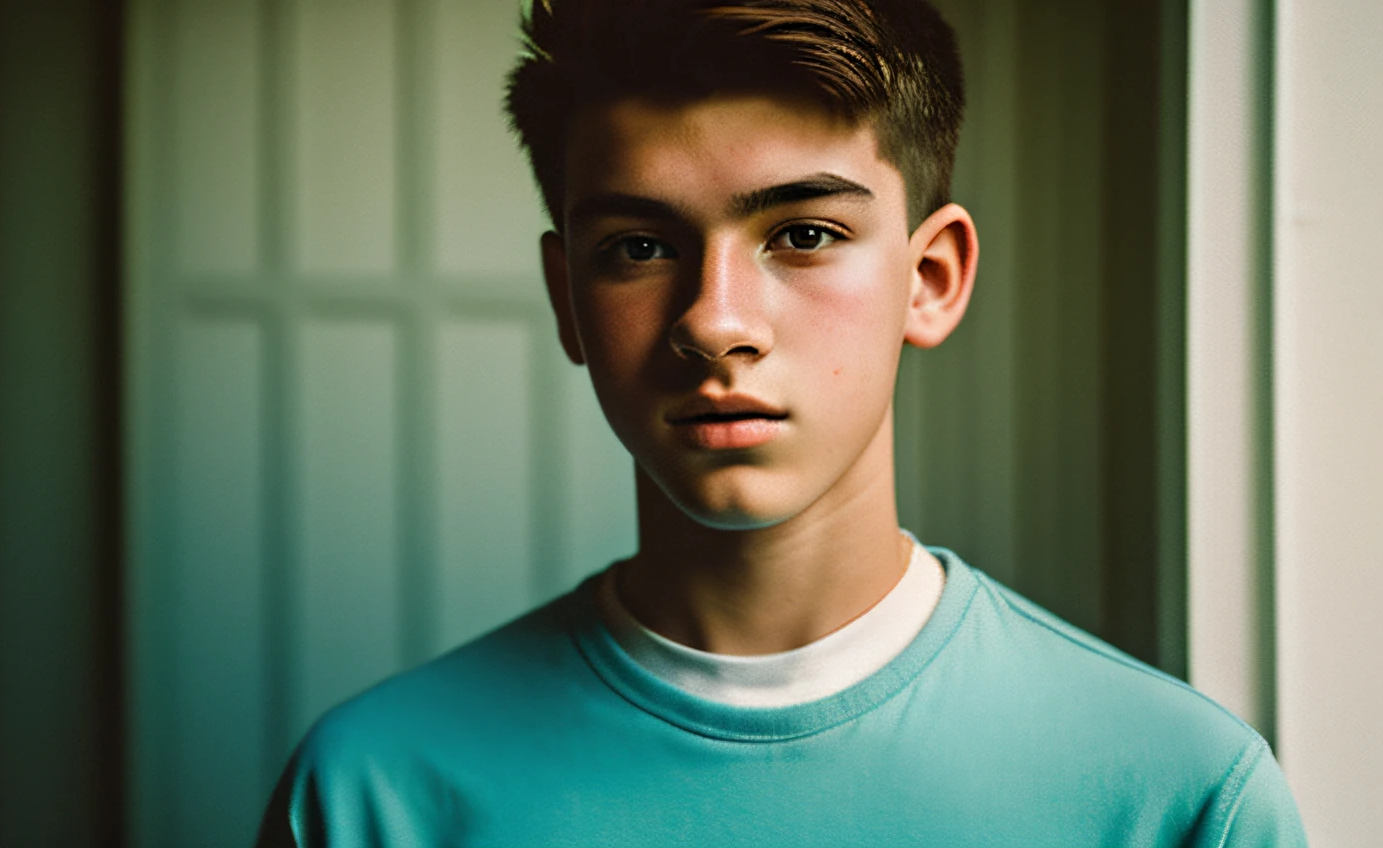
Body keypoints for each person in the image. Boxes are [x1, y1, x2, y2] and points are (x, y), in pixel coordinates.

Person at [256, 0, 1307, 844]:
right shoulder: (370, 793)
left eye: (802, 232)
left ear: (930, 279)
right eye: (635, 247)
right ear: (565, 294)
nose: (715, 322)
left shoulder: (1180, 797)